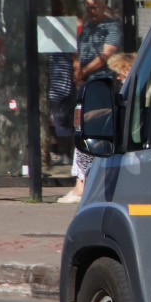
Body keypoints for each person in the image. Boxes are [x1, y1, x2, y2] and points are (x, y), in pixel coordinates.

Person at [59, 47, 132, 205]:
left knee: (89, 139)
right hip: (124, 128)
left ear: (128, 70)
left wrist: (98, 113)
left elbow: (127, 110)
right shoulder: (129, 87)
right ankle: (80, 183)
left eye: (119, 73)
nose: (117, 78)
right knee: (85, 134)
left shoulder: (136, 87)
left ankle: (81, 186)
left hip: (129, 132)